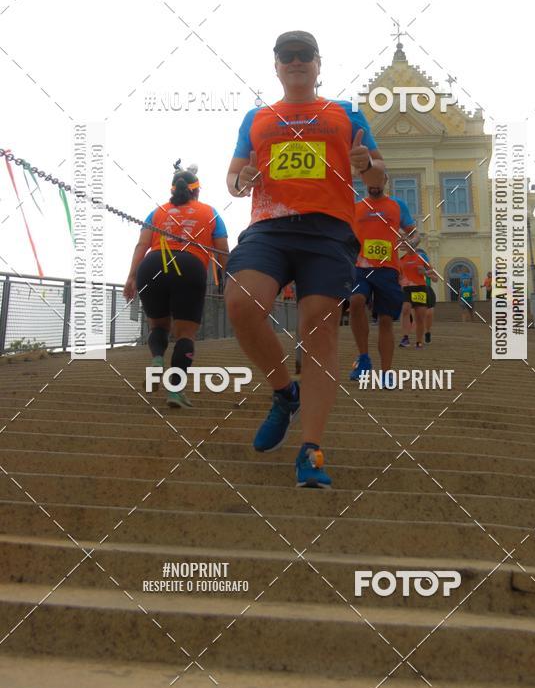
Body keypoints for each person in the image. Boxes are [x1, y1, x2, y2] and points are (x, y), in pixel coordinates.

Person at [224, 30, 385, 488]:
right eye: (287, 55)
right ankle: (284, 392)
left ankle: (310, 450)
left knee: (317, 324)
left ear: (318, 64)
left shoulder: (345, 113)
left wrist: (365, 165)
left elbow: (379, 176)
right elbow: (233, 180)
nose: (296, 61)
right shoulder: (257, 117)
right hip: (269, 227)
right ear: (276, 66)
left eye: (304, 55)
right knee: (241, 302)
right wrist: (243, 179)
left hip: (329, 230)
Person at [123, 164, 229, 408]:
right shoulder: (210, 212)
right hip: (189, 266)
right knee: (185, 334)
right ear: (197, 191)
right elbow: (222, 250)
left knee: (158, 325)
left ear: (172, 191)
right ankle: (175, 390)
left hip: (152, 264)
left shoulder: (157, 212)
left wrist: (131, 277)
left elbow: (141, 245)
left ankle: (157, 360)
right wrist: (228, 279)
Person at [349, 175, 417, 389]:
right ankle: (364, 358)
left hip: (388, 270)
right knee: (356, 301)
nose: (374, 183)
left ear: (385, 180)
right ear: (365, 181)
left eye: (379, 179)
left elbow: (414, 233)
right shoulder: (356, 207)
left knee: (386, 321)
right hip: (361, 267)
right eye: (371, 179)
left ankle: (386, 372)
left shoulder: (397, 205)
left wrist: (412, 242)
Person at [397, 245, 437, 349]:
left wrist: (425, 273)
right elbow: (399, 276)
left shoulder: (422, 258)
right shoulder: (401, 259)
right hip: (407, 288)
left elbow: (435, 276)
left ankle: (420, 341)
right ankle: (405, 338)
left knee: (420, 316)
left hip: (421, 288)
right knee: (405, 309)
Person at [416, 243, 438, 344]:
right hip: (416, 290)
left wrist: (428, 275)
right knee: (419, 315)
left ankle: (427, 332)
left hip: (427, 289)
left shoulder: (429, 268)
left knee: (429, 313)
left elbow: (435, 279)